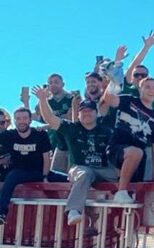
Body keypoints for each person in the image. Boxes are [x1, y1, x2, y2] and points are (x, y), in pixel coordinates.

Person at [33, 86, 116, 225]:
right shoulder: (70, 128)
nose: (86, 113)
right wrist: (42, 99)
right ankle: (73, 211)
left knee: (124, 174)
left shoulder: (107, 131)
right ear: (78, 115)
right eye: (83, 111)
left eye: (90, 111)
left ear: (97, 114)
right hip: (79, 168)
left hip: (103, 169)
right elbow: (50, 118)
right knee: (85, 174)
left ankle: (122, 203)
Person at [101, 77, 154, 203]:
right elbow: (108, 98)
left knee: (135, 197)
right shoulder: (129, 101)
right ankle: (121, 191)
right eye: (147, 87)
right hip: (117, 149)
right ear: (139, 89)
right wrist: (113, 79)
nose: (151, 90)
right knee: (136, 152)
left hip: (138, 160)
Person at [0, 108, 51, 224]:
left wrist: (45, 177)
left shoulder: (40, 134)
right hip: (19, 173)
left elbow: (46, 157)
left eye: (24, 118)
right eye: (18, 119)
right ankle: (2, 212)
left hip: (39, 172)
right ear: (14, 121)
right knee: (12, 176)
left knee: (68, 179)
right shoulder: (8, 136)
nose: (21, 121)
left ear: (30, 120)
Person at [123, 31, 154, 115]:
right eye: (136, 75)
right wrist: (146, 47)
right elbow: (134, 65)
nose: (140, 77)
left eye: (143, 75)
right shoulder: (126, 91)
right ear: (131, 77)